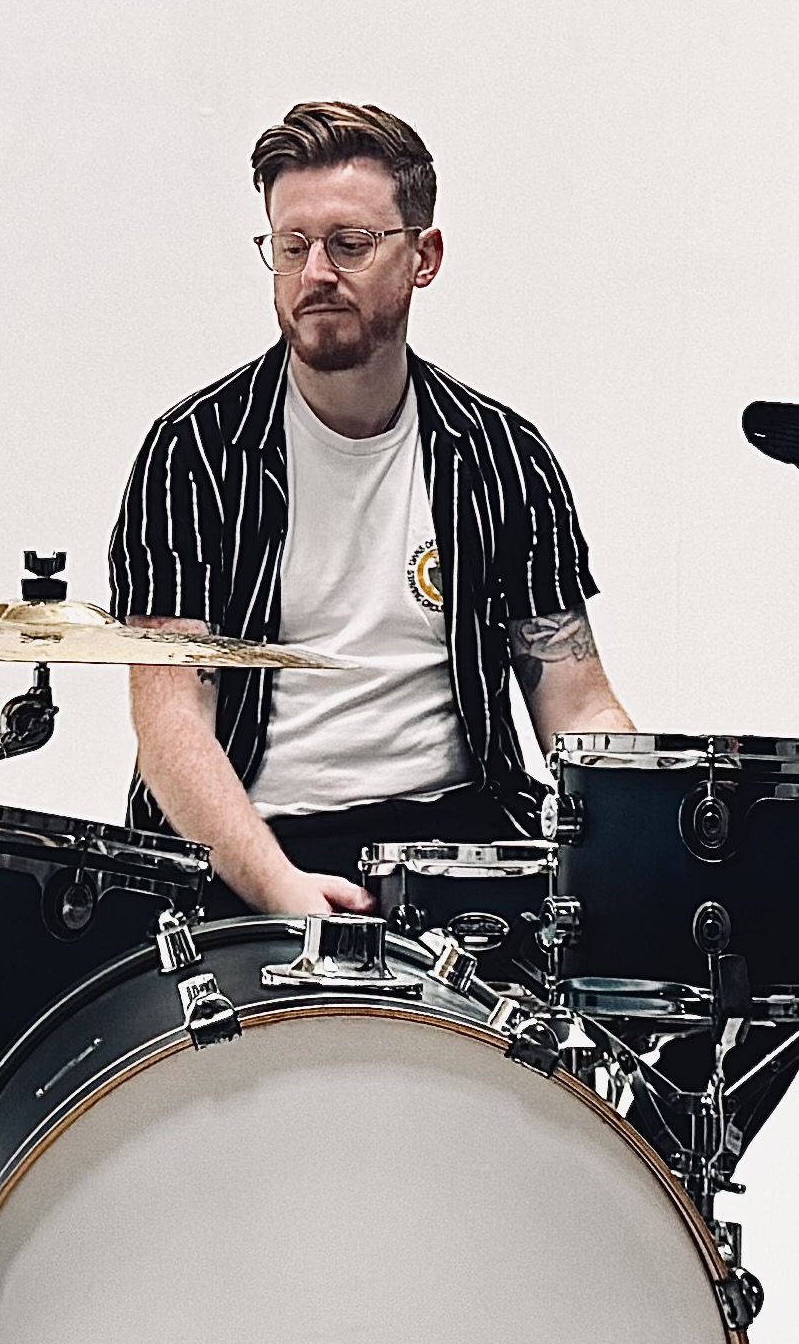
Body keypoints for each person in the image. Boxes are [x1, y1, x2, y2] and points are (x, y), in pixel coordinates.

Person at [108, 100, 633, 918]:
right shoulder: (194, 452)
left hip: (460, 851)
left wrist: (654, 844)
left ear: (423, 256)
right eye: (291, 246)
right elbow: (172, 725)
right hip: (251, 848)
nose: (316, 273)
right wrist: (278, 889)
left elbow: (571, 698)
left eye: (349, 245)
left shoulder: (500, 456)